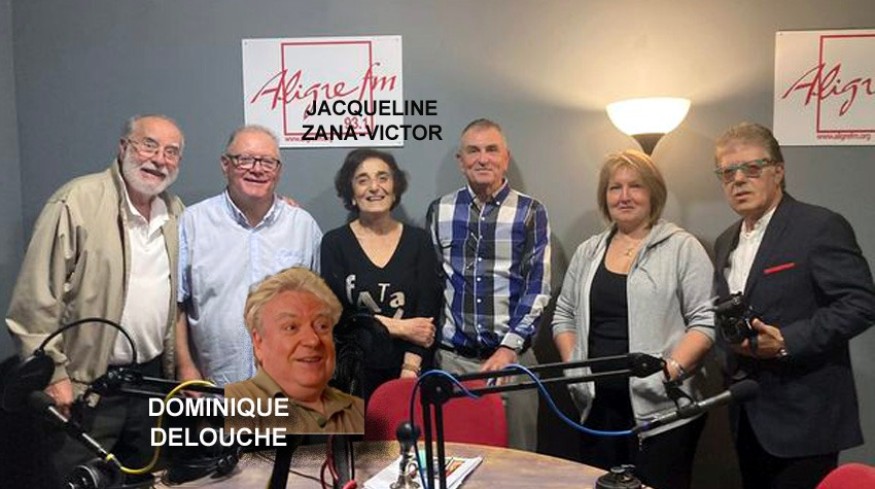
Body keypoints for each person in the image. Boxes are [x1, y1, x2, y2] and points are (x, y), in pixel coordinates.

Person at [5, 114, 185, 483]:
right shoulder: (77, 202)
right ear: (123, 147)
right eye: (149, 145)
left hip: (149, 385)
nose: (159, 159)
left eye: (171, 152)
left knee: (147, 480)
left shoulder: (175, 213)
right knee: (81, 478)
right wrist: (54, 374)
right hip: (86, 386)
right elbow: (35, 299)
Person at [712, 122, 875, 489]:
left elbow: (861, 303)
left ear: (778, 171)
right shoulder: (725, 240)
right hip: (746, 415)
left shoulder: (819, 226)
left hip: (806, 417)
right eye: (728, 172)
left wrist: (787, 340)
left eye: (751, 168)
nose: (739, 180)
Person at [551, 149, 715, 489]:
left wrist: (670, 371)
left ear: (653, 192)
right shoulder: (588, 251)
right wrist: (574, 367)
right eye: (615, 187)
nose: (624, 196)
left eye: (635, 186)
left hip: (663, 411)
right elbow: (564, 314)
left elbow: (705, 320)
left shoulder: (682, 248)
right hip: (597, 409)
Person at [426, 118, 551, 451]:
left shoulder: (530, 212)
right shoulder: (440, 211)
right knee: (456, 460)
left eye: (492, 150)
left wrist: (508, 348)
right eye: (473, 150)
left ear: (505, 158)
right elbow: (434, 281)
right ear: (461, 161)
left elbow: (537, 288)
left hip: (513, 362)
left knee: (519, 464)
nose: (483, 159)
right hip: (454, 363)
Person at [177, 125, 322, 386]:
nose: (257, 169)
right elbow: (177, 304)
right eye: (245, 160)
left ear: (278, 171)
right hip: (214, 386)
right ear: (225, 165)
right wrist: (186, 368)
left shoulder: (303, 227)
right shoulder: (193, 223)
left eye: (267, 162)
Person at [321, 148, 440, 401]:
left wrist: (409, 371)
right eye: (362, 180)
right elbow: (339, 318)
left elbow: (426, 317)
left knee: (405, 429)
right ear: (351, 192)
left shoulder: (419, 241)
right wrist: (400, 327)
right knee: (362, 431)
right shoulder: (334, 244)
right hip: (352, 380)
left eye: (383, 178)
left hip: (410, 373)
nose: (374, 187)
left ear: (395, 188)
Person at [224, 267, 365, 434]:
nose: (313, 340)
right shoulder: (234, 406)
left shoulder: (359, 411)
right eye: (291, 327)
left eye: (322, 326)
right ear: (258, 341)